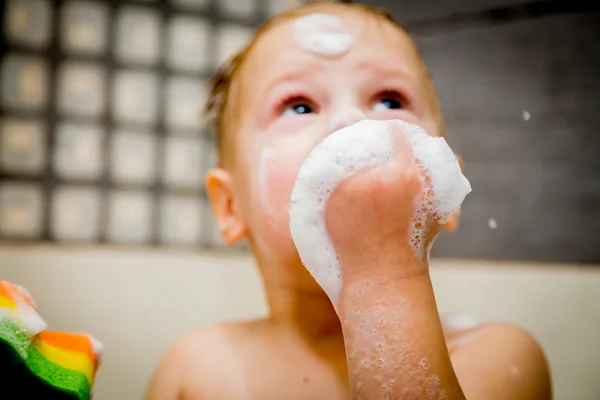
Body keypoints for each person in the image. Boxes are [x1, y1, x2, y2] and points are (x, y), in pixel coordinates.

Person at [146, 2, 551, 399]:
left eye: (390, 101)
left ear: (447, 182)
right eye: (299, 105)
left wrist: (382, 272)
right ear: (231, 206)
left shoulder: (497, 357)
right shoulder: (194, 368)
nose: (352, 120)